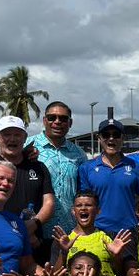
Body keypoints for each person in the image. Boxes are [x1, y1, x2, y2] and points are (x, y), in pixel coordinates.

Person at [0, 116, 55, 260]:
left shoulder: (38, 166)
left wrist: (33, 225)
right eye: (7, 134)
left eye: (17, 135)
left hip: (34, 243)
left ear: (25, 138)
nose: (12, 139)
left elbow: (49, 203)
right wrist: (20, 230)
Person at [26, 101, 87, 244]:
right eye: (52, 117)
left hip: (69, 232)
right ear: (44, 121)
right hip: (35, 232)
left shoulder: (79, 154)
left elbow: (82, 192)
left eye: (63, 118)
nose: (57, 122)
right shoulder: (28, 146)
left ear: (70, 123)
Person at [79, 117, 139, 236]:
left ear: (122, 138)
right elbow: (83, 204)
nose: (111, 139)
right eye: (106, 135)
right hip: (97, 233)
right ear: (99, 138)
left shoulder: (135, 167)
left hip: (129, 232)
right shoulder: (86, 168)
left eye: (116, 135)